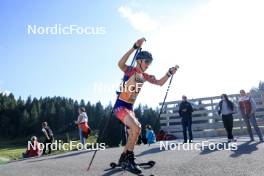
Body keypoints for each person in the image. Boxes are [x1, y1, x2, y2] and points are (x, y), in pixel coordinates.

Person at [113, 38, 178, 174]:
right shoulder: (130, 70)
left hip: (129, 108)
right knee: (136, 128)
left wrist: (169, 73)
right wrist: (134, 47)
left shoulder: (145, 76)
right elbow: (120, 63)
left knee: (135, 131)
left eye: (150, 62)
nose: (148, 64)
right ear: (139, 61)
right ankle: (129, 160)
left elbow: (160, 82)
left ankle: (124, 157)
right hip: (120, 106)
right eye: (147, 61)